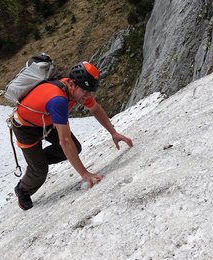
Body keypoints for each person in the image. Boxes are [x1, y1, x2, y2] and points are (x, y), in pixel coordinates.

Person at [11, 61, 133, 210]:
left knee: (74, 148)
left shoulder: (77, 90)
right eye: (85, 92)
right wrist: (85, 174)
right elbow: (65, 141)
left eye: (89, 92)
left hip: (46, 120)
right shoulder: (58, 100)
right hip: (25, 126)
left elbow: (95, 109)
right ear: (73, 84)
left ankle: (37, 161)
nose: (87, 96)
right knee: (40, 171)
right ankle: (23, 189)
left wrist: (113, 133)